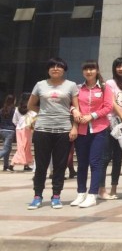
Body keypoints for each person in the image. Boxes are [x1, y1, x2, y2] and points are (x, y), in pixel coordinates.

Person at [27, 57, 81, 209]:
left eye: (59, 66)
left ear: (64, 69)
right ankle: (37, 196)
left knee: (60, 165)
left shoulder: (71, 85)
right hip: (42, 129)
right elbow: (31, 105)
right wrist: (44, 113)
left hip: (63, 130)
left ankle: (56, 196)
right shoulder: (40, 85)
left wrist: (74, 127)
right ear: (48, 69)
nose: (55, 69)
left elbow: (76, 109)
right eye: (52, 66)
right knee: (41, 165)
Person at [70, 60, 113, 208]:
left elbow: (108, 107)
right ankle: (81, 193)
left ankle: (92, 194)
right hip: (81, 130)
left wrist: (92, 116)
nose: (89, 72)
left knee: (95, 162)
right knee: (82, 163)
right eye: (86, 69)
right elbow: (70, 104)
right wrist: (74, 110)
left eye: (92, 69)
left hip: (99, 129)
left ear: (97, 70)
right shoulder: (78, 88)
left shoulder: (104, 87)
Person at [98, 57, 122, 200]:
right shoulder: (110, 83)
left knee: (118, 158)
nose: (121, 69)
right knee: (105, 158)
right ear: (114, 68)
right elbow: (111, 102)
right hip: (111, 124)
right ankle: (101, 189)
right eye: (118, 66)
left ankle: (114, 189)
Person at [11, 94, 33, 171]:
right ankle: (12, 164)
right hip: (27, 129)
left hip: (18, 129)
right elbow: (33, 119)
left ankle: (26, 165)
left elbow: (14, 120)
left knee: (21, 147)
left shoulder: (17, 109)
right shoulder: (30, 109)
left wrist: (19, 125)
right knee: (25, 147)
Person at [0, 94, 16, 172]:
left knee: (8, 149)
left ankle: (6, 165)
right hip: (10, 131)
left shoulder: (2, 110)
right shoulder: (14, 110)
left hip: (2, 130)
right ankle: (6, 165)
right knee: (6, 149)